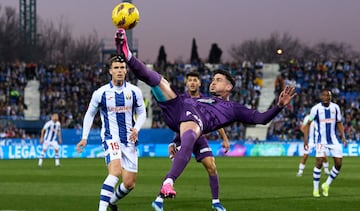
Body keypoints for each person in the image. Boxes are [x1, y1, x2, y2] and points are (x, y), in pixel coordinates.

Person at [114, 28, 296, 210]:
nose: (213, 82)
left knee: (205, 155)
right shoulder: (198, 98)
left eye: (218, 79)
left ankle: (171, 183)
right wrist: (175, 141)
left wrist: (278, 106)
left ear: (229, 86)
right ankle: (127, 54)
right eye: (213, 79)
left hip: (194, 122)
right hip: (177, 107)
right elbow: (183, 119)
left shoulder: (233, 108)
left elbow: (261, 118)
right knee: (157, 81)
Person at [75, 55, 146, 211]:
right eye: (116, 68)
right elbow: (89, 114)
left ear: (126, 71)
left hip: (129, 140)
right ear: (110, 71)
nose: (119, 71)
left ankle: (112, 202)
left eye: (122, 68)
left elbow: (142, 113)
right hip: (110, 138)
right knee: (115, 171)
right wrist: (84, 138)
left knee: (129, 183)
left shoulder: (135, 91)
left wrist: (137, 128)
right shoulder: (101, 93)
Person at [152, 72, 230, 211]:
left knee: (211, 166)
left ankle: (216, 202)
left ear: (200, 83)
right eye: (190, 80)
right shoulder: (180, 100)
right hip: (182, 137)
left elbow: (217, 121)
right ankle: (158, 199)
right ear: (186, 83)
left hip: (199, 139)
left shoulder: (206, 100)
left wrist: (225, 139)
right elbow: (175, 122)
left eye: (195, 80)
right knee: (176, 168)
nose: (193, 83)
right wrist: (173, 142)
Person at [303, 89, 347, 198]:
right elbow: (308, 124)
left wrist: (343, 136)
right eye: (325, 95)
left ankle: (326, 184)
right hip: (320, 141)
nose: (327, 97)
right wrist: (306, 139)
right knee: (319, 162)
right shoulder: (315, 109)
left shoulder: (335, 108)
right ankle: (315, 189)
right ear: (321, 97)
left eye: (329, 95)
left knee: (338, 164)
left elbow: (339, 123)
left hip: (333, 140)